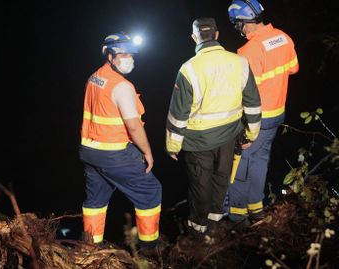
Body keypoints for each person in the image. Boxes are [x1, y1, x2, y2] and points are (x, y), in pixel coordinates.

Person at [166, 18, 262, 237]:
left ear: (194, 37)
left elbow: (178, 113)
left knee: (201, 185)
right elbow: (253, 103)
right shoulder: (240, 62)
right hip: (230, 136)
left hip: (198, 141)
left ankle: (197, 233)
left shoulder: (188, 69)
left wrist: (173, 145)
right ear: (217, 35)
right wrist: (252, 133)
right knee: (221, 179)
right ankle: (215, 225)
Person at [79, 32, 162, 251]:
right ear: (109, 56)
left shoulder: (94, 77)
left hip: (90, 151)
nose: (129, 58)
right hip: (114, 153)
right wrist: (148, 152)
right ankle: (149, 248)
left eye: (131, 54)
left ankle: (90, 248)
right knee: (151, 191)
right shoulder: (123, 87)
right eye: (122, 54)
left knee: (96, 201)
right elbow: (133, 127)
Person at [227, 0, 299, 222]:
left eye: (237, 24)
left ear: (243, 22)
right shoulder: (283, 37)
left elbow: (244, 94)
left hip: (255, 119)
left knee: (240, 164)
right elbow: (294, 69)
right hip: (278, 114)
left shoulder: (248, 51)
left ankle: (237, 217)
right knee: (260, 160)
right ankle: (256, 208)